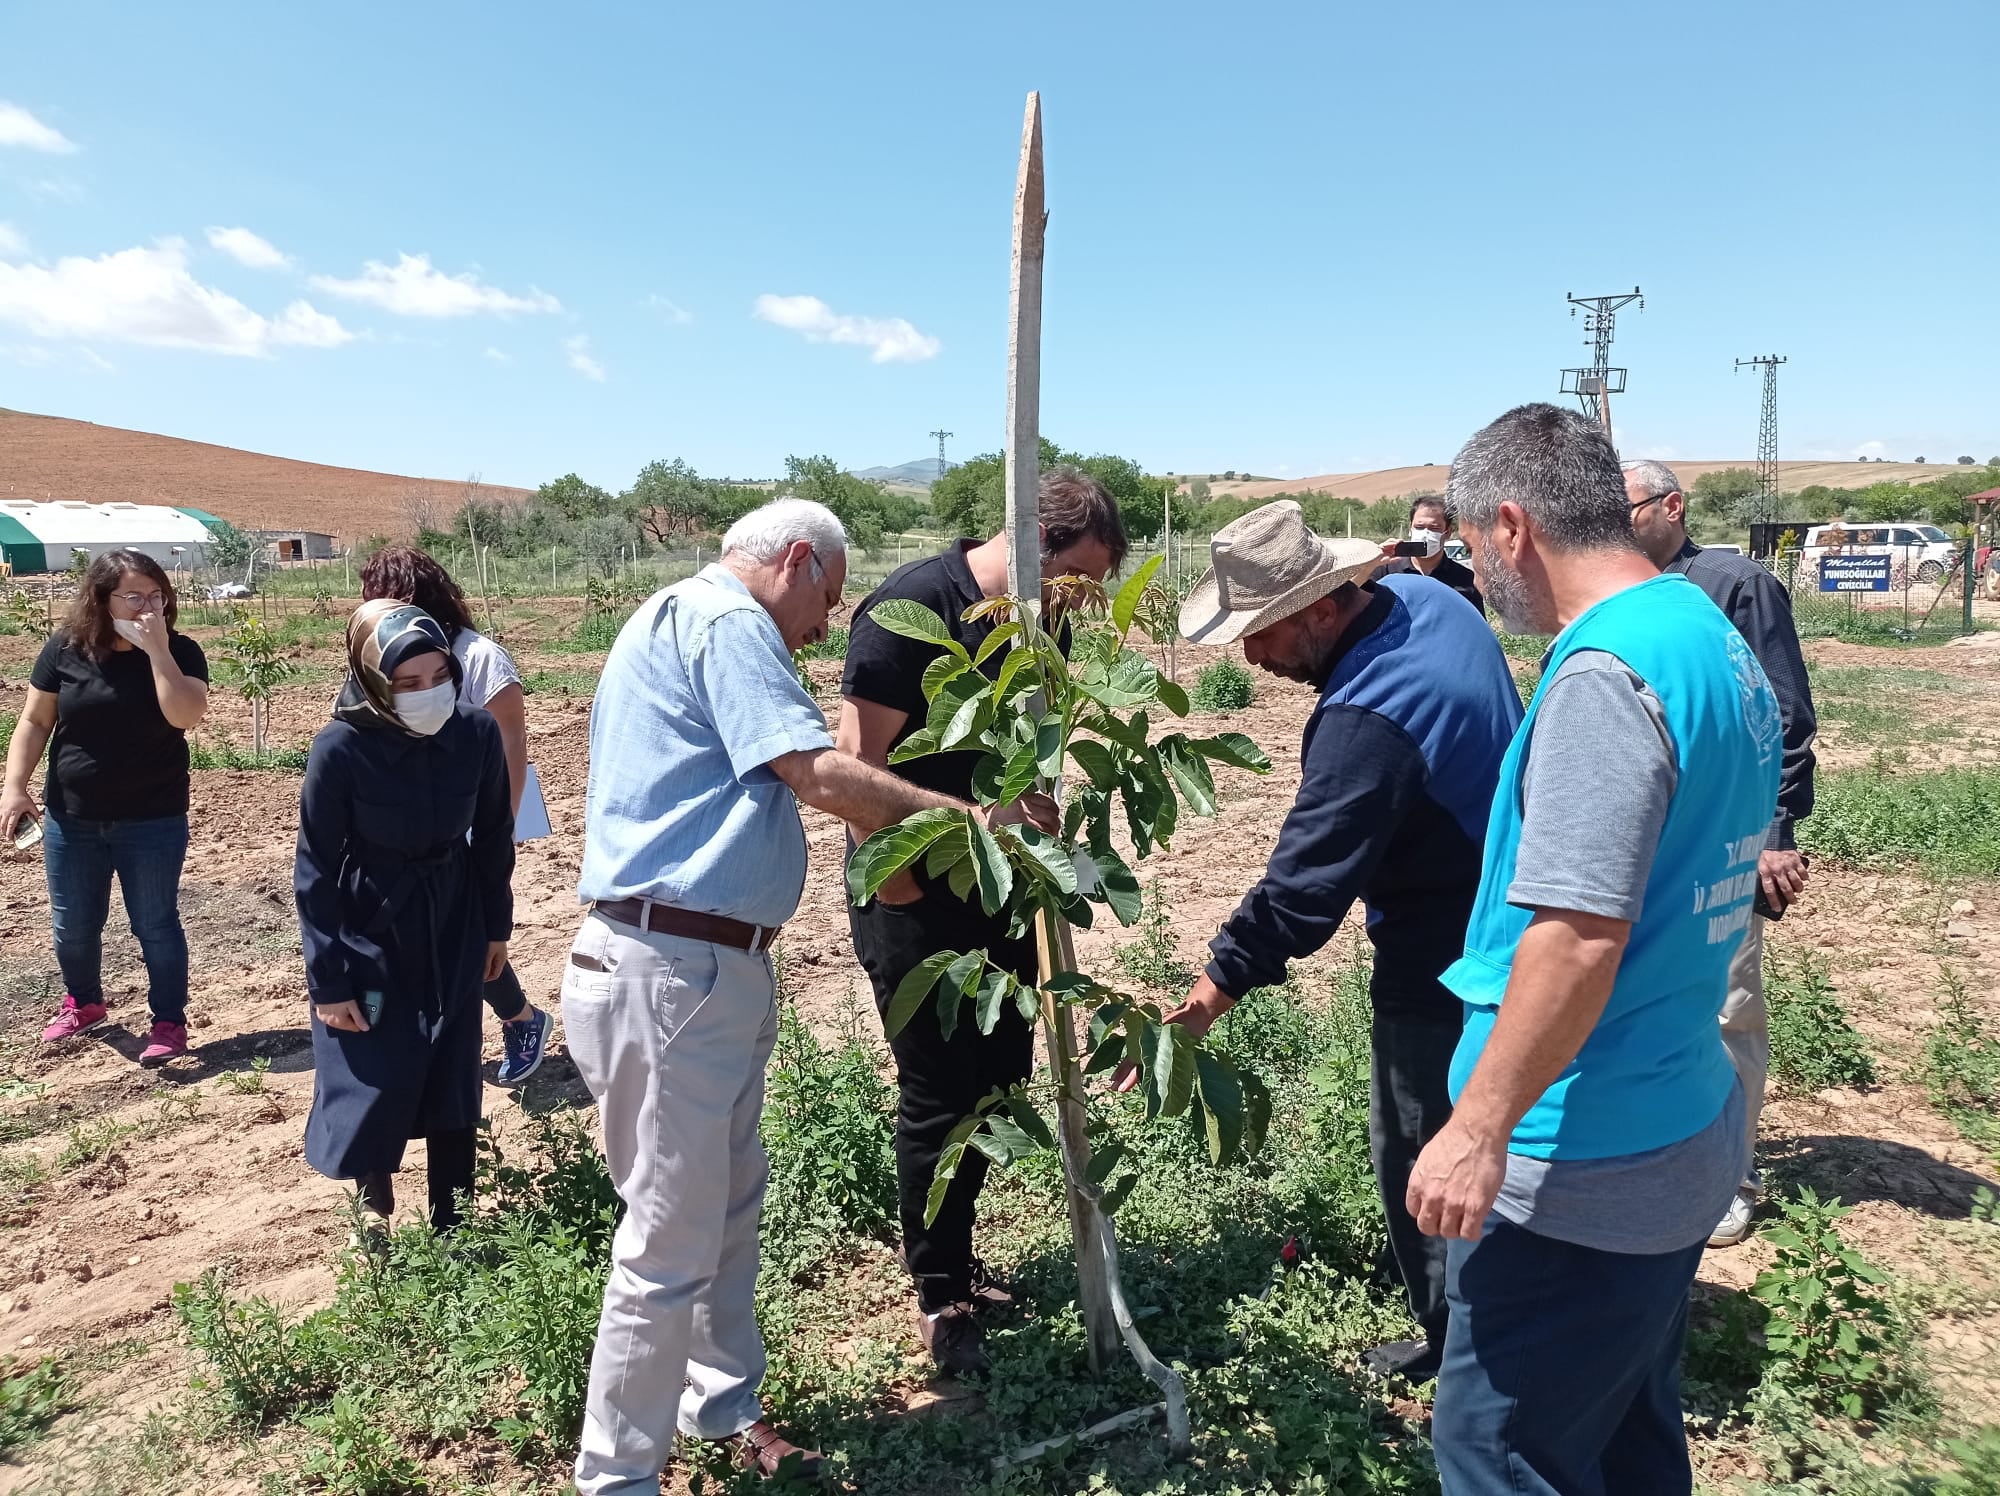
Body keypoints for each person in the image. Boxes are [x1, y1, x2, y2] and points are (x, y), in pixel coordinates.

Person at [560, 498, 1054, 1492]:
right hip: (671, 967)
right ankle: (616, 1476)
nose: (824, 626)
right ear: (792, 559)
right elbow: (820, 769)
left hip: (702, 963)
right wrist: (972, 823)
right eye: (824, 599)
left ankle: (723, 1406)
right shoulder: (725, 620)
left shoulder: (675, 614)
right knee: (665, 1243)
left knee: (727, 1207)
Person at [1409, 404, 1780, 1496]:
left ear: (1510, 526)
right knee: (1622, 1435)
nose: (1474, 572)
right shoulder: (1700, 631)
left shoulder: (1601, 678)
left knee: (1499, 1455)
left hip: (1581, 1153)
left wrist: (1478, 1127)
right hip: (1676, 1112)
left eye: (1473, 546)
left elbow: (1574, 936)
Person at [1152, 499, 1521, 1384]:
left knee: (1423, 1143)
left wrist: (1202, 1002)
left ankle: (1461, 1351)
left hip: (1445, 951)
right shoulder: (1429, 603)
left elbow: (1302, 893)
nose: (1249, 656)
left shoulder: (1369, 723)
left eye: (1261, 633)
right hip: (1509, 901)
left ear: (1321, 608)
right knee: (1497, 1130)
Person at [837, 466, 1127, 1377]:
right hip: (916, 894)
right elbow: (856, 767)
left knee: (999, 1078)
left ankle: (959, 1255)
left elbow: (1030, 747)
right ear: (1035, 546)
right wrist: (901, 895)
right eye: (1080, 575)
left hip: (1004, 892)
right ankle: (937, 1287)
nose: (1086, 598)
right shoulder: (908, 610)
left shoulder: (1045, 619)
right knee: (938, 1092)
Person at [1622, 458, 1819, 1248]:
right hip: (1652, 836)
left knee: (1727, 1005)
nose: (1616, 521)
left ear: (1672, 505)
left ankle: (1731, 1177)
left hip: (1724, 837)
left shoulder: (1733, 583)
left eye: (1628, 508)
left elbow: (1784, 713)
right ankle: (1665, 1152)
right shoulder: (1627, 591)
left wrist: (1775, 832)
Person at [295, 600, 514, 1235]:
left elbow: (494, 834)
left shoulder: (473, 733)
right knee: (376, 1056)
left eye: (439, 676)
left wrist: (495, 926)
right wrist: (328, 982)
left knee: (452, 1053)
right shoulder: (340, 747)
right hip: (371, 915)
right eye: (408, 684)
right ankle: (373, 1196)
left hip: (453, 912)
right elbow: (313, 869)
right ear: (373, 683)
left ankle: (455, 1213)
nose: (428, 694)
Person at [0, 550, 209, 1066]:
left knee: (155, 924)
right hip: (73, 818)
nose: (149, 606)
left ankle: (168, 1022)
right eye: (134, 596)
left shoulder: (181, 650)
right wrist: (13, 786)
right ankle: (85, 1003)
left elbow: (185, 715)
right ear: (102, 599)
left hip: (153, 819)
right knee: (72, 925)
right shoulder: (65, 649)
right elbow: (33, 721)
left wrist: (158, 650)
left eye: (157, 595)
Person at [361, 545, 555, 1085]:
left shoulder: (480, 658)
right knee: (435, 933)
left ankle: (520, 1020)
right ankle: (502, 1024)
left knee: (466, 934)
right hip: (414, 830)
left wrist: (499, 832)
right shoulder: (384, 660)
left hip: (472, 824)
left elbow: (510, 750)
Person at [1375, 494, 1485, 614]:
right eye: (1419, 527)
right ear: (1410, 528)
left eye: (1434, 528)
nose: (1425, 534)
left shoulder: (1465, 580)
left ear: (1447, 533)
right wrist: (1373, 560)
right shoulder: (1384, 570)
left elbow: (1475, 628)